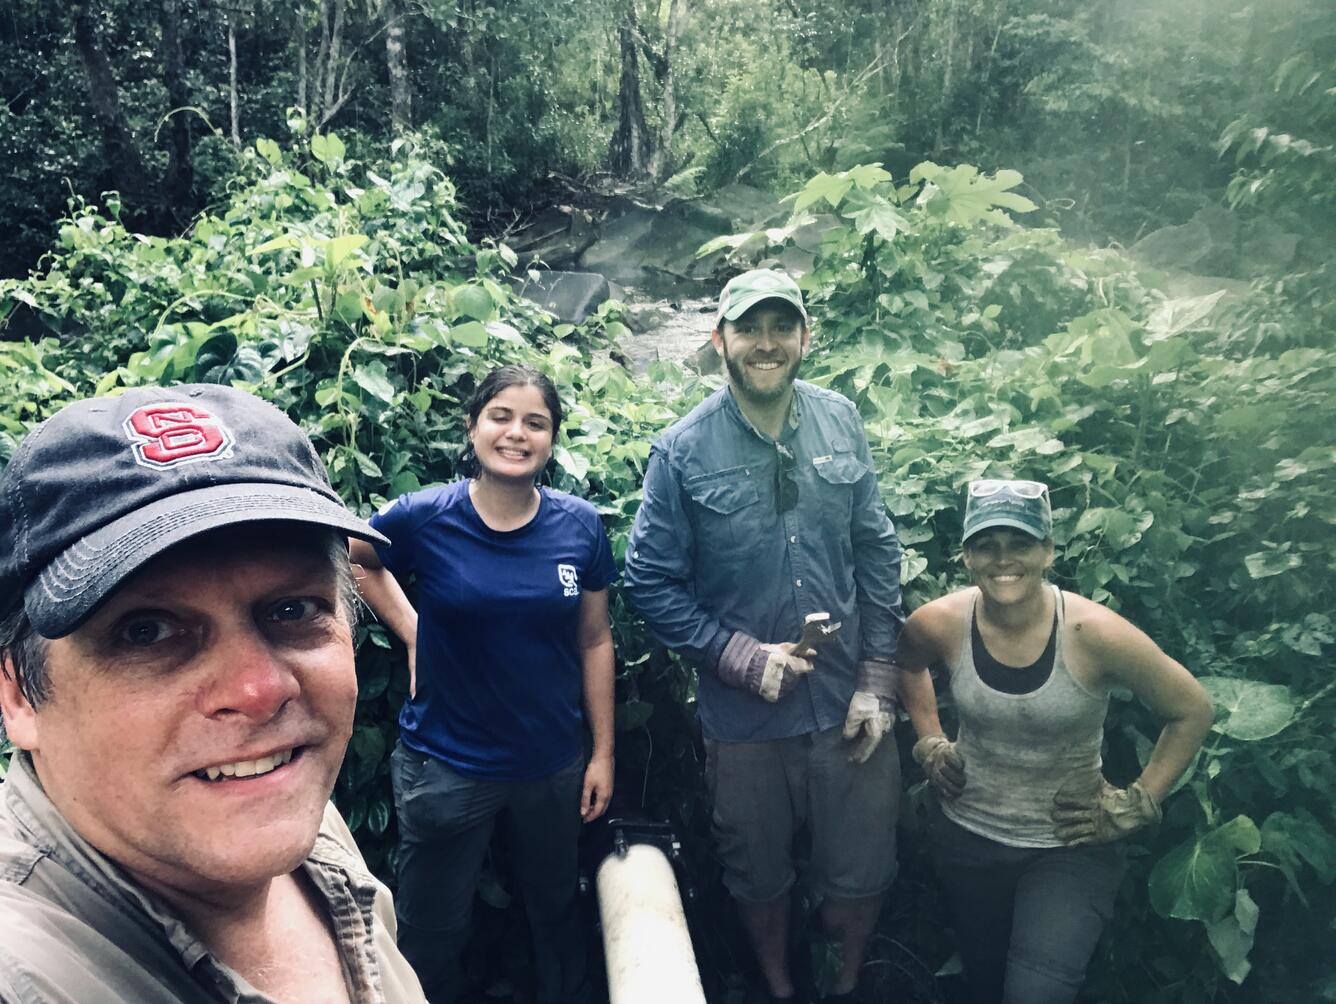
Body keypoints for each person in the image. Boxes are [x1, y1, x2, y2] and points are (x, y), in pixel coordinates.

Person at [0, 383, 427, 1003]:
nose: (259, 690)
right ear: (19, 696)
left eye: (291, 608)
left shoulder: (276, 803)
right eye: (146, 632)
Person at [624, 269, 904, 1004]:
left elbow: (877, 551)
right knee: (757, 871)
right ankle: (780, 990)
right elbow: (647, 581)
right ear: (720, 341)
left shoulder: (841, 420)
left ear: (805, 338)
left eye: (783, 327)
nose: (767, 343)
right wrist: (740, 656)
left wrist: (879, 677)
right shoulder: (681, 451)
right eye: (750, 328)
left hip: (849, 703)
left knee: (862, 867)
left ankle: (845, 986)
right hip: (745, 719)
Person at [349, 364, 615, 1004]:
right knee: (430, 927)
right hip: (445, 765)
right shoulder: (424, 517)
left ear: (552, 440)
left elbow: (595, 639)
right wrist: (412, 629)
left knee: (554, 908)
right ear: (472, 428)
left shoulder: (579, 526)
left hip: (550, 764)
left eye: (536, 422)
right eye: (501, 416)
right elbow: (356, 559)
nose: (516, 433)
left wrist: (602, 752)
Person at [896, 479, 1214, 1004]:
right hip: (967, 834)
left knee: (1035, 991)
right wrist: (929, 740)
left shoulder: (1094, 633)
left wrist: (1140, 800)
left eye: (1020, 543)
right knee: (984, 975)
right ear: (967, 556)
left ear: (1047, 551)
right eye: (986, 545)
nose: (1004, 560)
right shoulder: (941, 622)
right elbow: (907, 666)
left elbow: (1191, 709)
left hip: (1069, 844)